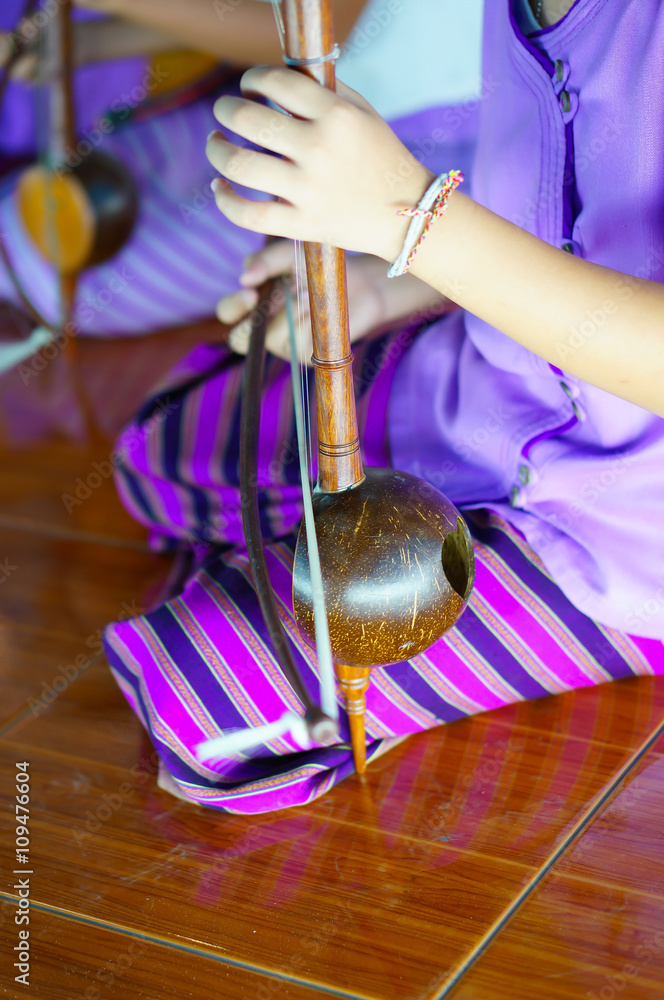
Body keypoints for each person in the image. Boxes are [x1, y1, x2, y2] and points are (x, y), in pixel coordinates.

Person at [103, 0, 664, 814]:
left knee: (194, 708)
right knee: (157, 453)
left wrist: (405, 215)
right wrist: (384, 281)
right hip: (484, 387)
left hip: (629, 540)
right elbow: (558, 201)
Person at [0, 0, 482, 338]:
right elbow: (264, 10)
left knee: (61, 281)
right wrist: (91, 41)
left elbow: (322, 26)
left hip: (408, 138)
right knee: (56, 203)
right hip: (307, 95)